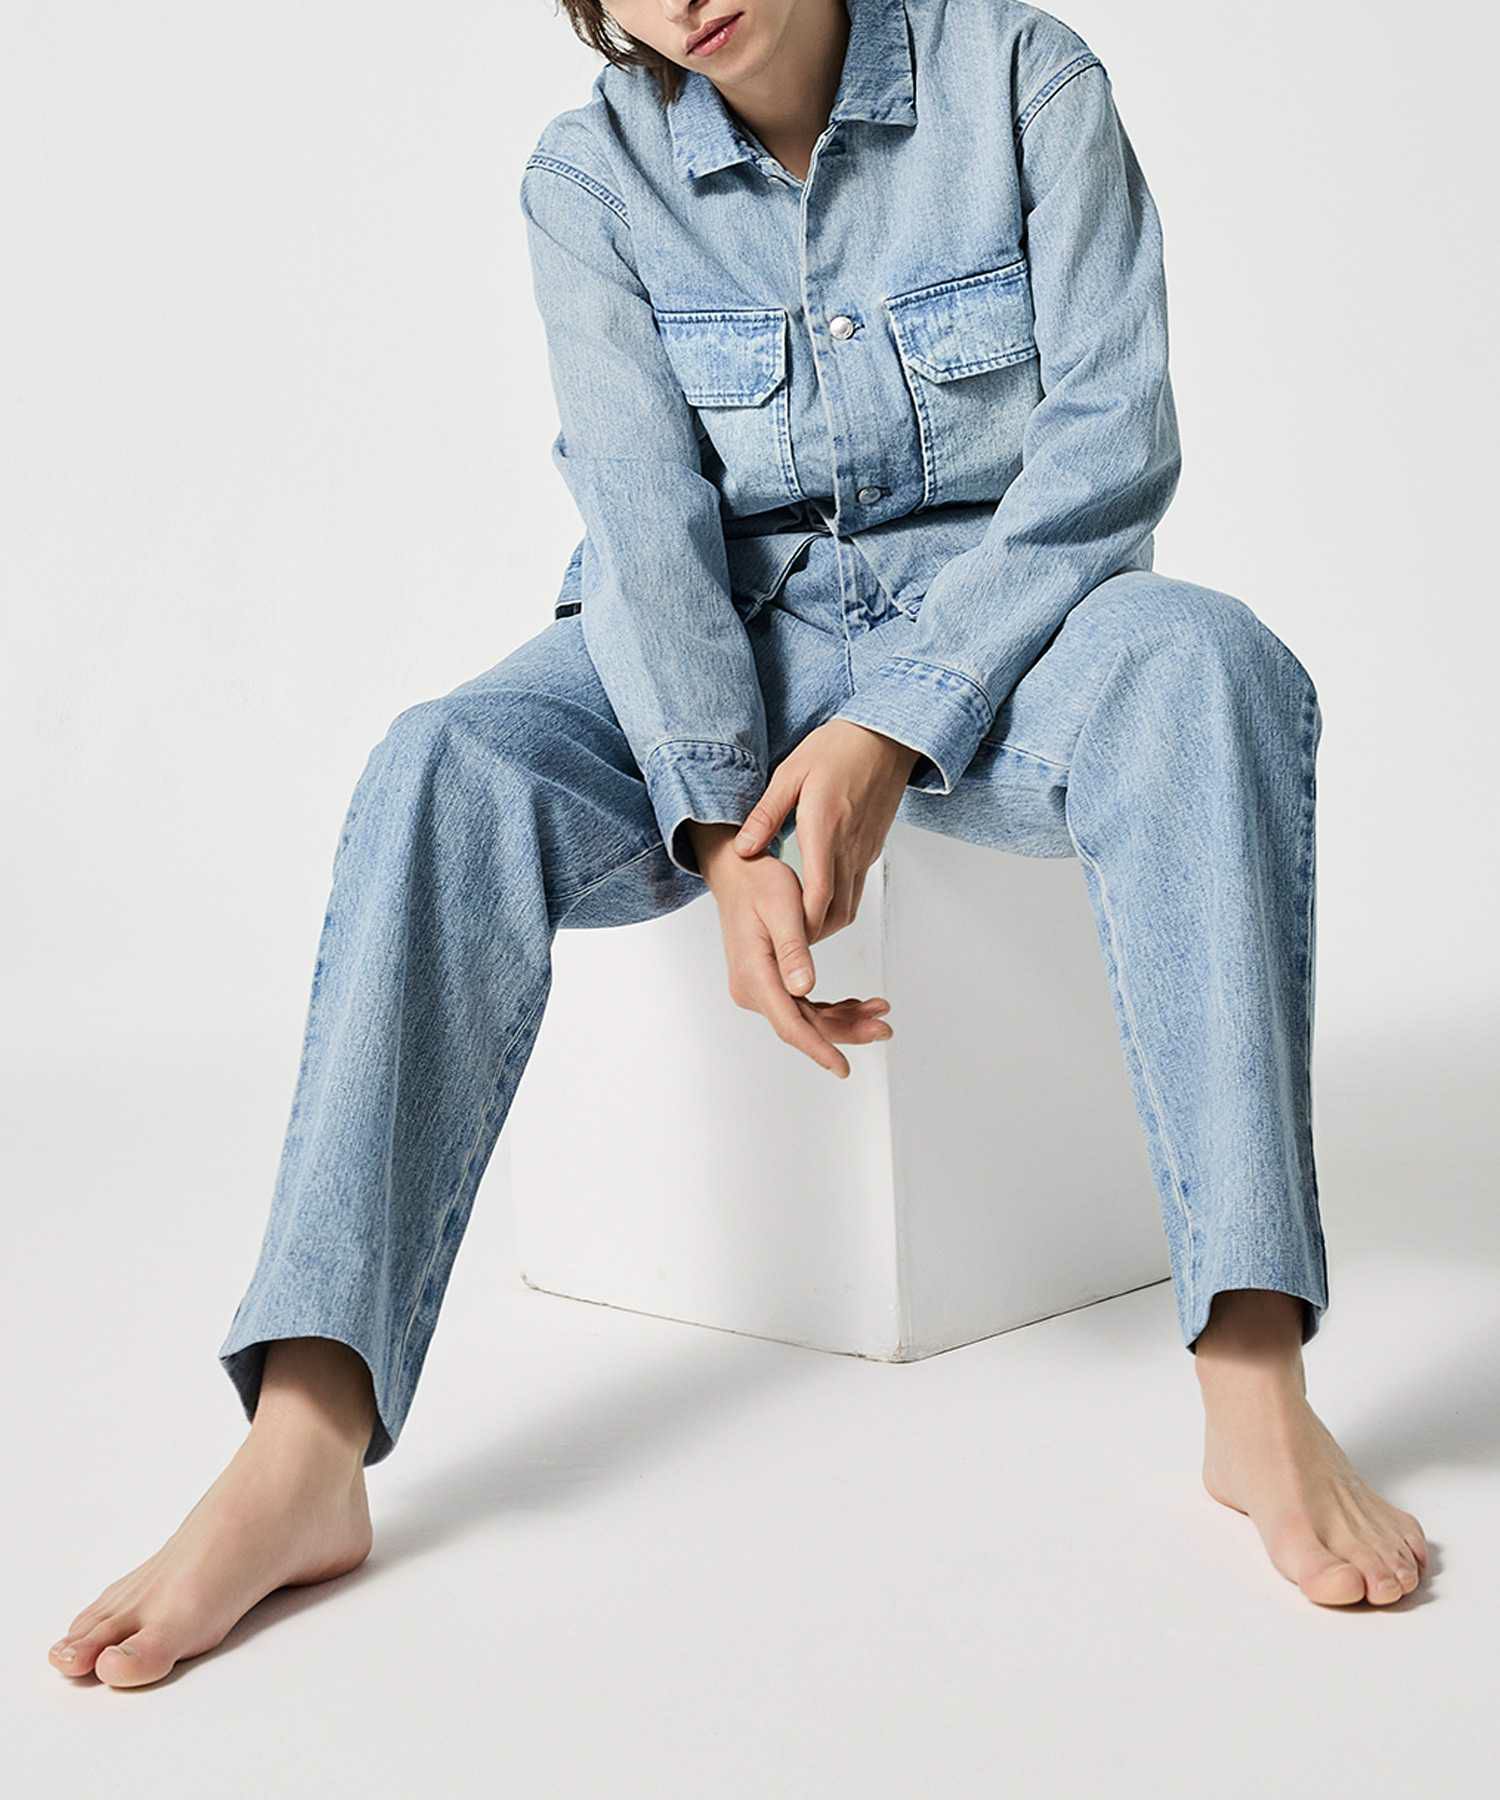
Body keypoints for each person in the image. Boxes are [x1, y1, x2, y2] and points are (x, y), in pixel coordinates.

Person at [48, 0, 1429, 1689]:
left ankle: (1253, 1376)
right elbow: (643, 527)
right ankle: (306, 1440)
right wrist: (719, 828)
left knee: (1211, 665)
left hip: (1013, 638)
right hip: (712, 652)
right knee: (439, 767)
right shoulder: (590, 177)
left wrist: (890, 726)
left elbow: (1108, 444)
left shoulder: (1023, 78)